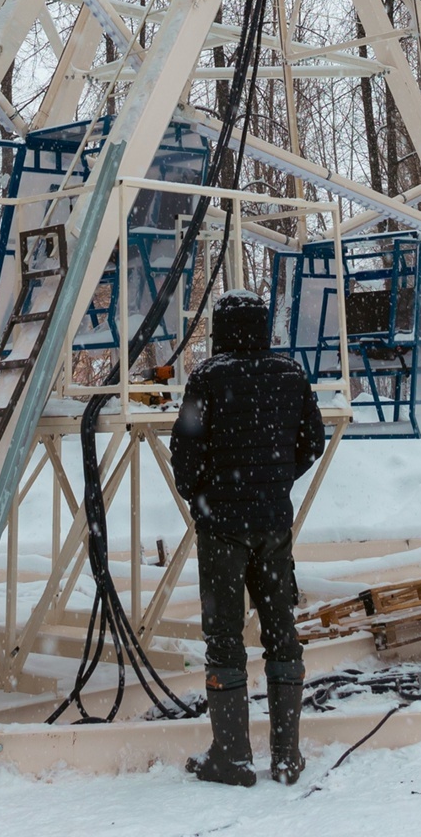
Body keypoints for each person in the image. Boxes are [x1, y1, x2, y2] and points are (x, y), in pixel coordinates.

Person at [169, 289, 326, 788]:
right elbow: (312, 442)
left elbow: (185, 451)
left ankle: (233, 756)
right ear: (263, 327)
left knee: (224, 638)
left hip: (222, 529)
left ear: (220, 329)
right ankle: (286, 756)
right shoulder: (291, 376)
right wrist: (275, 481)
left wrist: (205, 495)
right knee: (283, 633)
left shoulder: (208, 378)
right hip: (273, 526)